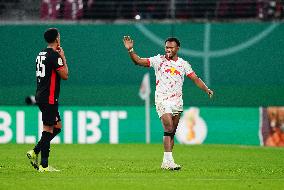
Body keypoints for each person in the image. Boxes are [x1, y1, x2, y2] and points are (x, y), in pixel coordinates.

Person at [123, 36, 213, 170]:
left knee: (172, 132)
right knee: (168, 128)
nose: (168, 50)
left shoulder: (183, 64)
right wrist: (130, 50)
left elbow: (195, 78)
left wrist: (206, 89)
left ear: (177, 49)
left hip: (177, 100)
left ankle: (167, 162)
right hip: (162, 99)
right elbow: (138, 61)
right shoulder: (158, 60)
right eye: (166, 47)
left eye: (171, 47)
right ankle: (168, 162)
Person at [27, 28, 69, 172]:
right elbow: (65, 75)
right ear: (57, 39)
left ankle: (35, 151)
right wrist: (63, 57)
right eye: (59, 37)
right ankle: (44, 166)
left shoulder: (41, 54)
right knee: (48, 129)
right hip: (49, 97)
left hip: (41, 94)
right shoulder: (54, 55)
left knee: (57, 127)